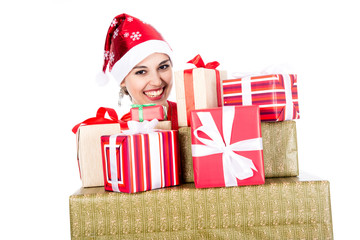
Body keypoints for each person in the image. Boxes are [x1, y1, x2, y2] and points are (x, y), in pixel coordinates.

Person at [97, 13, 178, 130]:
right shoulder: (121, 132)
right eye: (141, 72)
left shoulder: (196, 119)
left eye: (163, 67)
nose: (156, 82)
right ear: (122, 79)